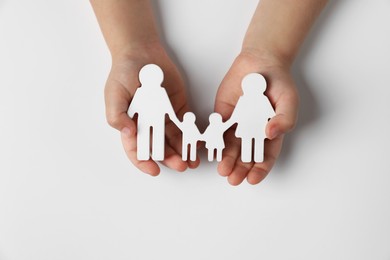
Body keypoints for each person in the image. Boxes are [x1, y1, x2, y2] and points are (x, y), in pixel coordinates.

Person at [90, 0, 328, 185]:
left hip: (245, 127)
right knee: (147, 139)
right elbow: (161, 111)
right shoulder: (146, 93)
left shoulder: (247, 100)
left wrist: (270, 53)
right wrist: (131, 48)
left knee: (250, 147)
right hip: (166, 121)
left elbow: (170, 112)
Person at [128, 64, 180, 161]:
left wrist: (129, 116)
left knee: (156, 135)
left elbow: (167, 107)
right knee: (147, 134)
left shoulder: (157, 91)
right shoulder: (142, 91)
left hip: (154, 118)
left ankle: (156, 154)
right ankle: (146, 154)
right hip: (150, 119)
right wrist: (128, 117)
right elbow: (168, 109)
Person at [227, 73, 275, 163]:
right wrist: (226, 124)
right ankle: (248, 157)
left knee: (254, 141)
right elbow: (236, 115)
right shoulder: (249, 99)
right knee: (249, 141)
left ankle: (255, 157)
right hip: (253, 126)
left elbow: (271, 115)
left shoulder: (262, 99)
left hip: (256, 126)